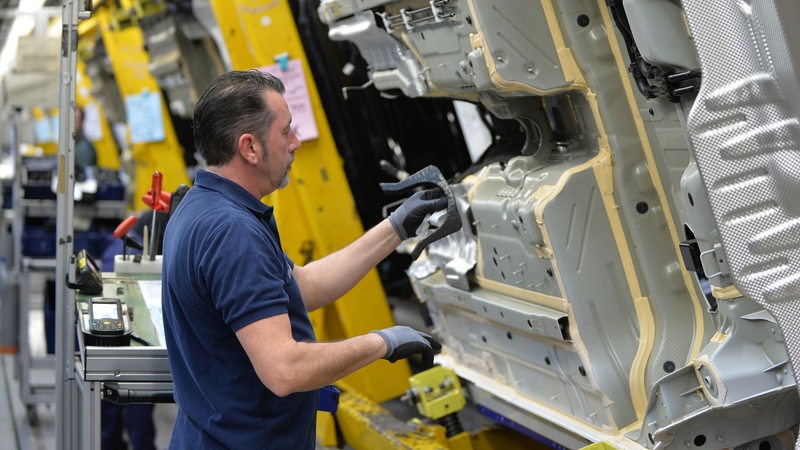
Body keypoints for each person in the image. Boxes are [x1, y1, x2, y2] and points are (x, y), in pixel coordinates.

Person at [161, 70, 447, 449]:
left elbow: (303, 287)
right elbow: (285, 370)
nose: (295, 143)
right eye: (285, 131)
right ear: (250, 147)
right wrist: (382, 342)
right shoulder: (233, 232)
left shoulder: (205, 206)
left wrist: (395, 228)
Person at [74, 105, 98, 181]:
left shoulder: (84, 149)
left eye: (75, 120)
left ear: (82, 123)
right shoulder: (72, 144)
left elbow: (85, 180)